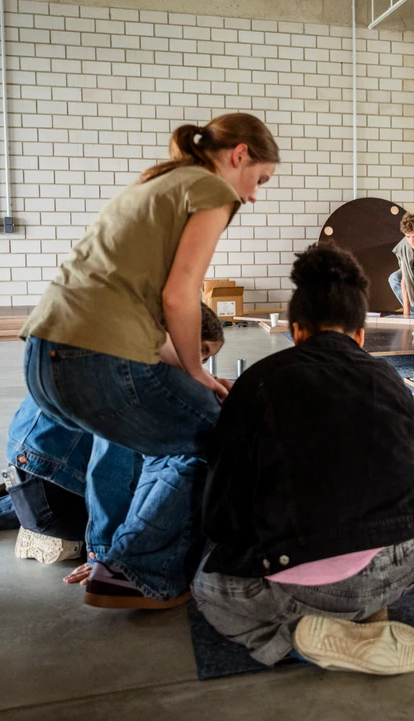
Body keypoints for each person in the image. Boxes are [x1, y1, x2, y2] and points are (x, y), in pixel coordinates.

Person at [17, 113, 278, 609]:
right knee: (220, 435)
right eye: (259, 179)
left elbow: (138, 319)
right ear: (239, 154)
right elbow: (179, 298)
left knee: (151, 432)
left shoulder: (158, 183)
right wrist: (197, 373)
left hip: (43, 357)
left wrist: (187, 371)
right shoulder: (209, 189)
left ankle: (105, 551)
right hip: (96, 360)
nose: (253, 195)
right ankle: (139, 571)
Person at [193, 243, 414, 675]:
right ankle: (366, 613)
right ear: (361, 334)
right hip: (409, 560)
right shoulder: (392, 379)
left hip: (311, 583)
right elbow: (412, 474)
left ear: (296, 331)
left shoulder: (259, 382)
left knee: (208, 586)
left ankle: (297, 641)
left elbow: (222, 518)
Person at [0, 306, 227, 569]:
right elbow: (109, 467)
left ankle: (15, 497)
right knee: (167, 509)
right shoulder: (127, 376)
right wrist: (105, 557)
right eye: (200, 352)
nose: (199, 366)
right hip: (53, 505)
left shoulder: (118, 344)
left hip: (42, 472)